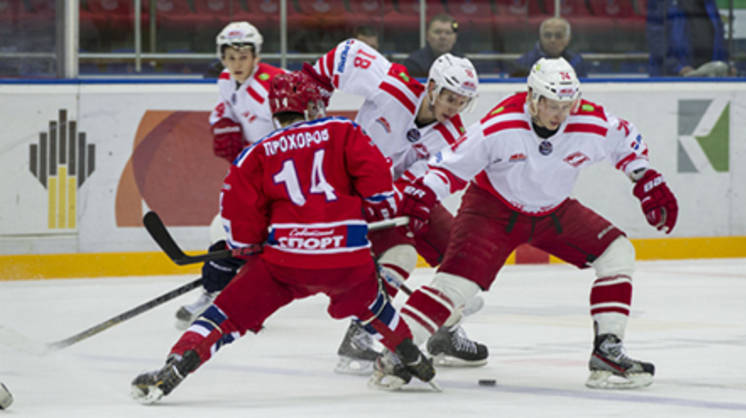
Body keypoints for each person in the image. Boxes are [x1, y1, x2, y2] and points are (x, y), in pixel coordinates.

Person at [131, 70, 436, 404]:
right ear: (311, 107)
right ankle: (411, 355)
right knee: (374, 307)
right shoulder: (343, 130)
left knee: (225, 314)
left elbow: (238, 216)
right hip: (347, 258)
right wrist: (372, 212)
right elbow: (379, 186)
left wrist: (248, 249)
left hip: (285, 261)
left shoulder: (256, 153)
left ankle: (179, 361)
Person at [391, 57, 679, 389]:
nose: (560, 114)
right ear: (532, 97)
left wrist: (645, 178)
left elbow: (625, 139)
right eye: (552, 105)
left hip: (553, 213)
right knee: (455, 288)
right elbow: (451, 166)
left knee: (618, 253)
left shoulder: (589, 120)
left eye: (567, 105)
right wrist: (424, 193)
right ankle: (395, 354)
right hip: (491, 212)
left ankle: (607, 352)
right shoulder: (500, 125)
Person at [304, 39, 488, 374]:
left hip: (394, 198)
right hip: (345, 189)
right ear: (431, 88)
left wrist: (395, 199)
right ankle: (361, 333)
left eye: (462, 102)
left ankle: (445, 332)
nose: (454, 108)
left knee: (461, 255)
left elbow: (420, 181)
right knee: (400, 256)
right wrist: (314, 86)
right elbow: (348, 52)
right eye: (450, 98)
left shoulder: (453, 136)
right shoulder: (394, 87)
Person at [175, 21, 285, 330]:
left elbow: (300, 133)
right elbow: (226, 107)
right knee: (228, 230)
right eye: (230, 57)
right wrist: (223, 121)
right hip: (252, 175)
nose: (236, 64)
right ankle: (223, 293)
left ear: (256, 56)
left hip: (279, 177)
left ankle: (225, 294)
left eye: (243, 57)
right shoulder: (226, 80)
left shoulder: (273, 87)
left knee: (237, 232)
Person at [647, 0, 730, 77]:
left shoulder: (709, 3)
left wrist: (725, 66)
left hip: (709, 77)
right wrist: (678, 67)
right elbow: (656, 42)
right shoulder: (663, 3)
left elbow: (719, 37)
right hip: (672, 79)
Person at [512, 17, 588, 78]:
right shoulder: (524, 63)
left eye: (558, 35)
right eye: (547, 35)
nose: (552, 40)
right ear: (540, 37)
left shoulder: (577, 62)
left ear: (568, 38)